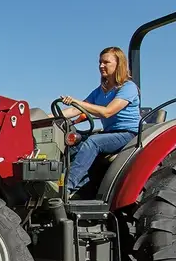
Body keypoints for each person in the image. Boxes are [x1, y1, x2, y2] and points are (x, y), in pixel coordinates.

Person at [58, 46, 141, 196]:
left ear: (118, 64)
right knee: (73, 144)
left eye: (106, 62)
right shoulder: (100, 90)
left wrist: (76, 101)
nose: (101, 66)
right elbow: (75, 110)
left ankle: (65, 188)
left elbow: (107, 112)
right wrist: (45, 118)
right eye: (100, 62)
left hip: (129, 134)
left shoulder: (128, 87)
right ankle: (70, 187)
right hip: (109, 133)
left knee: (93, 142)